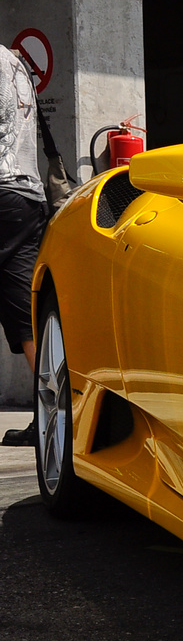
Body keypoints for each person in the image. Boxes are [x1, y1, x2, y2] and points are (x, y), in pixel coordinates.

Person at [0, 45, 49, 445]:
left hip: (1, 191)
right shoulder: (16, 62)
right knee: (23, 309)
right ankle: (48, 416)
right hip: (28, 195)